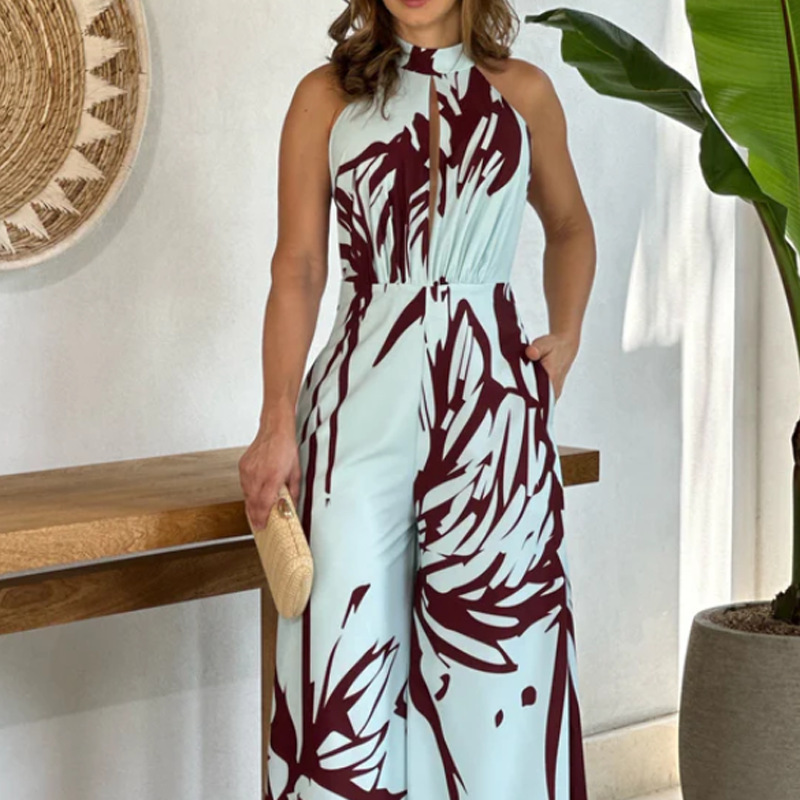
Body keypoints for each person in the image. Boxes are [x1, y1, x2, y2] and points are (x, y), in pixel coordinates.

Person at [239, 0, 596, 797]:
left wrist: (566, 335)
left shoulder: (525, 93)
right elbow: (298, 268)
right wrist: (274, 421)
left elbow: (571, 226)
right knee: (342, 662)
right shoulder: (324, 98)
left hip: (491, 413)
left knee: (499, 666)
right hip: (356, 408)